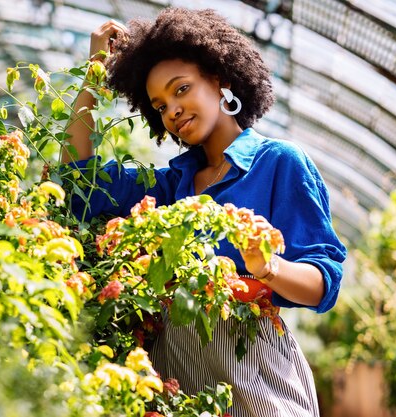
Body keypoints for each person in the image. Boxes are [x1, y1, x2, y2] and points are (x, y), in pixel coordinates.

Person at [61, 7, 346, 417]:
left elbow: (324, 284)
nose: (172, 111)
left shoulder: (278, 163)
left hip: (257, 378)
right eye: (159, 106)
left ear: (220, 79)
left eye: (181, 89)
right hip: (176, 380)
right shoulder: (169, 187)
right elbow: (78, 182)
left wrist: (268, 267)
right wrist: (93, 71)